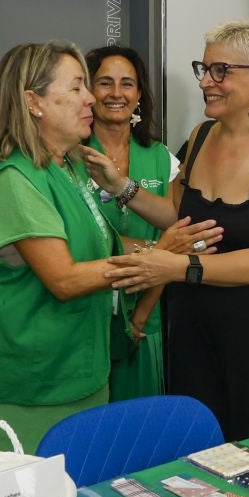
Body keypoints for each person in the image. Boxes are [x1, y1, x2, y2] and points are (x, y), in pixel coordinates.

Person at [0, 42, 214, 450]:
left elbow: (101, 242)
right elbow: (64, 278)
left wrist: (155, 252)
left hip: (73, 374)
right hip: (15, 388)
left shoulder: (68, 167)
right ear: (34, 103)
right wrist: (157, 259)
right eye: (78, 87)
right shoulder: (13, 180)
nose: (91, 99)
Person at [98, 20, 249, 440]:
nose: (205, 82)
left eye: (220, 71)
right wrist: (120, 187)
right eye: (204, 68)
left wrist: (179, 267)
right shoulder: (200, 136)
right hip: (198, 326)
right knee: (201, 452)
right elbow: (179, 216)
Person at [86, 44, 181, 400]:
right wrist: (156, 251)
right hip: (85, 317)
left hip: (145, 317)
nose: (115, 93)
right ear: (88, 91)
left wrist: (142, 314)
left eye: (127, 84)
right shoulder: (68, 155)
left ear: (139, 95)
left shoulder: (160, 157)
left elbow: (177, 236)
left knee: (140, 435)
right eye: (104, 83)